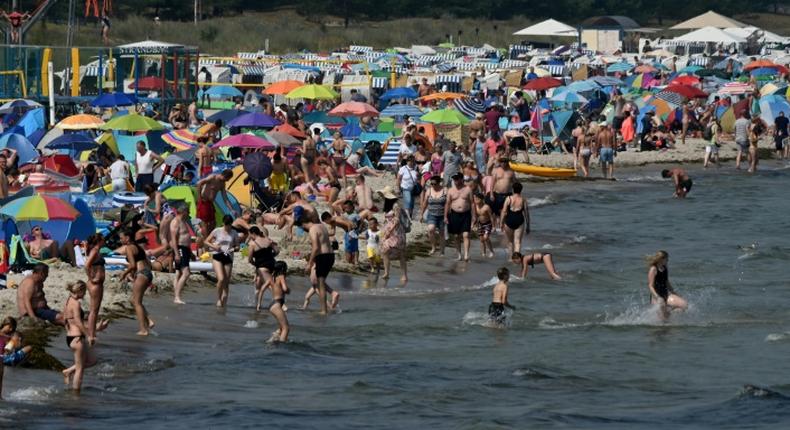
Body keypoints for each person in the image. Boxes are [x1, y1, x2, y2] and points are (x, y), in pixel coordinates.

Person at [61, 281, 106, 392]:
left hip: (71, 337)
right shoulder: (76, 304)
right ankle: (76, 394)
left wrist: (96, 328)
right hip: (77, 339)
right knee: (80, 369)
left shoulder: (67, 301)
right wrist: (89, 336)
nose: (85, 294)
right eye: (84, 291)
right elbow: (78, 322)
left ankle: (68, 371)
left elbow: (66, 320)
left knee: (92, 361)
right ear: (80, 291)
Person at [297, 207, 339, 314]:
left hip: (323, 256)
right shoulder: (321, 226)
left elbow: (315, 247)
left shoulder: (312, 229)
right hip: (331, 256)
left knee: (320, 284)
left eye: (302, 227)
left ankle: (323, 310)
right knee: (321, 282)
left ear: (303, 224)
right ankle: (329, 300)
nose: (304, 229)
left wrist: (309, 263)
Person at [120, 230, 155, 335]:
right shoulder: (138, 247)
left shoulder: (129, 248)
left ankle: (143, 330)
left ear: (127, 238)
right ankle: (148, 320)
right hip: (147, 273)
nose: (120, 240)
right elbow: (147, 263)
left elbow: (132, 265)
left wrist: (124, 273)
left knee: (137, 303)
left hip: (141, 274)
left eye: (122, 238)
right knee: (133, 300)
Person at [205, 215, 240, 308]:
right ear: (223, 223)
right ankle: (219, 299)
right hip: (217, 255)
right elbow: (206, 241)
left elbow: (238, 246)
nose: (228, 227)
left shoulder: (234, 232)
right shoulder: (217, 230)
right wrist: (214, 246)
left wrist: (234, 249)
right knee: (221, 279)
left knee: (226, 281)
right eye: (226, 225)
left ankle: (224, 302)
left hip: (228, 256)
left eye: (230, 225)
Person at [646, 250, 688, 319]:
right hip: (656, 297)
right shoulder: (653, 269)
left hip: (666, 294)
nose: (668, 260)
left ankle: (669, 313)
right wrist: (658, 297)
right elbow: (650, 286)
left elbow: (666, 282)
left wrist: (674, 293)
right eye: (667, 258)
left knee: (684, 305)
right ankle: (665, 317)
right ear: (661, 259)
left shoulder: (665, 268)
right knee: (663, 321)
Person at [445, 172, 475, 262]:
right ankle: (459, 254)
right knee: (456, 235)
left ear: (462, 179)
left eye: (457, 179)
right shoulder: (450, 190)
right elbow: (448, 203)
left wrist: (474, 216)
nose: (456, 181)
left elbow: (472, 203)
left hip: (466, 214)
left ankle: (466, 254)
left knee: (466, 235)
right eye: (454, 179)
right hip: (454, 214)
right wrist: (445, 216)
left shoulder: (468, 189)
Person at [248, 226, 278, 311]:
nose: (250, 237)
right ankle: (257, 306)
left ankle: (281, 304)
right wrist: (270, 257)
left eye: (250, 235)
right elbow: (277, 251)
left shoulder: (252, 244)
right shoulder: (268, 240)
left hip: (262, 267)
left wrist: (256, 264)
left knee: (270, 285)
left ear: (253, 234)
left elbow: (249, 259)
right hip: (272, 264)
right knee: (258, 285)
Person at [84, 233, 107, 344]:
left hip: (97, 283)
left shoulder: (95, 250)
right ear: (99, 241)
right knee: (93, 310)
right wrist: (91, 277)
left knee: (95, 310)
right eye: (103, 240)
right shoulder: (94, 251)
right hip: (95, 284)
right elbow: (87, 265)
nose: (105, 241)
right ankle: (91, 335)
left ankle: (92, 333)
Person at [196, 169, 235, 235]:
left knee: (213, 223)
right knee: (204, 223)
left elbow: (225, 198)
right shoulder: (212, 177)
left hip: (210, 203)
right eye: (228, 179)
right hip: (204, 201)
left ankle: (207, 237)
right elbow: (199, 183)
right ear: (225, 176)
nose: (228, 180)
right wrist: (199, 197)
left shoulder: (222, 184)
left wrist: (231, 209)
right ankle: (205, 240)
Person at [262, 261, 290, 342]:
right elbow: (285, 288)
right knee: (286, 328)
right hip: (277, 305)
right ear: (283, 269)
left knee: (281, 327)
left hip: (272, 305)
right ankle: (282, 347)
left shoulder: (273, 277)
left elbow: (263, 289)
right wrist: (288, 290)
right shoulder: (281, 276)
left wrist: (259, 303)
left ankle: (271, 341)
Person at [170, 205, 192, 305]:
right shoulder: (176, 222)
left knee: (178, 273)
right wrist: (176, 254)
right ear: (184, 212)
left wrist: (191, 253)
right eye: (188, 211)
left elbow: (185, 236)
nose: (189, 214)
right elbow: (174, 240)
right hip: (180, 248)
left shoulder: (184, 221)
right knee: (186, 272)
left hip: (185, 249)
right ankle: (177, 297)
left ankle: (176, 296)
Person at [501, 182, 530, 257]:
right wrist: (528, 226)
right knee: (517, 242)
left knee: (510, 241)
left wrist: (501, 223)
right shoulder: (523, 200)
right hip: (519, 220)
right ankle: (517, 259)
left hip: (509, 220)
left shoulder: (509, 198)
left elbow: (504, 212)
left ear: (513, 190)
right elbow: (526, 214)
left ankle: (511, 258)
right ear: (521, 190)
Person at [380, 205, 408, 282]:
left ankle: (404, 275)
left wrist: (390, 231)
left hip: (397, 233)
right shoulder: (387, 206)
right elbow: (386, 220)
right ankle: (386, 273)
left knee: (401, 255)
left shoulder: (396, 205)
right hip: (389, 232)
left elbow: (397, 220)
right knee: (385, 251)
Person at [421, 175, 446, 255]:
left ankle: (442, 250)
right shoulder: (429, 191)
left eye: (434, 184)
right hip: (431, 214)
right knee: (431, 229)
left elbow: (449, 203)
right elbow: (425, 203)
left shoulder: (445, 190)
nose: (433, 185)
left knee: (442, 233)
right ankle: (433, 247)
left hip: (442, 215)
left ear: (439, 183)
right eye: (431, 184)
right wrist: (421, 214)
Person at [474, 193, 495, 258]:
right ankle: (483, 253)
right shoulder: (475, 207)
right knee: (481, 239)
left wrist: (494, 226)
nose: (476, 200)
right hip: (480, 224)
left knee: (486, 238)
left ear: (482, 199)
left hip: (487, 224)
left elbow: (491, 217)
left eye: (478, 199)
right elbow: (475, 217)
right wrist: (474, 225)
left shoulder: (486, 207)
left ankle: (491, 251)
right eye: (475, 199)